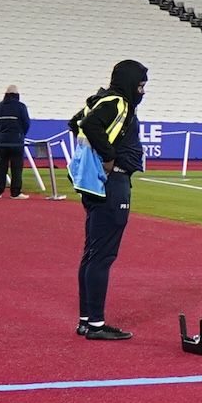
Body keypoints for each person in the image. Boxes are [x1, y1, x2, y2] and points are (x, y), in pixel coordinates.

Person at [72, 60, 148, 340]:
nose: (142, 91)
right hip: (112, 184)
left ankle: (86, 320)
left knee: (92, 253)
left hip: (96, 184)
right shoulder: (118, 103)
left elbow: (76, 122)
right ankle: (95, 325)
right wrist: (107, 156)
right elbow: (89, 125)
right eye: (140, 85)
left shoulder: (101, 99)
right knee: (102, 255)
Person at [0, 85, 31, 197]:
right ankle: (15, 192)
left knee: (0, 166)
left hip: (2, 140)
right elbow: (26, 123)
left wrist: (2, 132)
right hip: (16, 140)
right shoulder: (21, 106)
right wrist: (21, 134)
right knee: (16, 167)